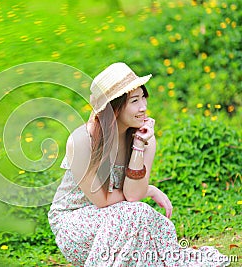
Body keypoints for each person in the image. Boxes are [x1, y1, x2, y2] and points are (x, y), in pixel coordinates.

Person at [48, 62, 229, 266]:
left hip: (118, 219)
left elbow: (133, 196)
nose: (143, 107)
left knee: (156, 224)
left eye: (143, 97)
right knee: (137, 213)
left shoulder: (145, 138)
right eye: (134, 100)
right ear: (114, 108)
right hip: (75, 224)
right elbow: (102, 200)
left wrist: (139, 146)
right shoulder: (83, 141)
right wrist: (150, 190)